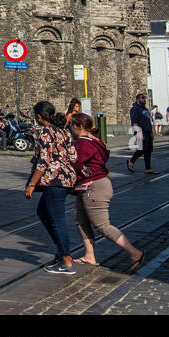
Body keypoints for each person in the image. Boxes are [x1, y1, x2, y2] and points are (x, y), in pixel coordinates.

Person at [70, 112, 144, 272]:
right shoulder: (95, 140)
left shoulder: (82, 143)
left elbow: (76, 163)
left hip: (93, 186)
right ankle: (89, 256)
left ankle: (134, 252)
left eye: (72, 127)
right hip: (91, 185)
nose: (71, 130)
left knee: (103, 226)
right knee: (81, 221)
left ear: (78, 127)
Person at [24, 100, 78, 274]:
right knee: (43, 212)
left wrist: (31, 184)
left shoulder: (46, 132)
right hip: (66, 179)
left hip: (54, 181)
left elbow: (43, 162)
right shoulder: (64, 132)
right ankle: (60, 252)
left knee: (57, 220)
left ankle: (67, 261)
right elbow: (74, 156)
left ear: (39, 117)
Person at [128, 92, 158, 175]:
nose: (144, 99)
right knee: (142, 149)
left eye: (145, 98)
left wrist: (151, 132)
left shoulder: (145, 109)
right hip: (141, 131)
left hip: (148, 131)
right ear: (138, 99)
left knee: (148, 150)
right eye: (142, 98)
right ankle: (131, 161)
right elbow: (134, 122)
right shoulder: (135, 109)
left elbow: (148, 121)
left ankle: (148, 169)